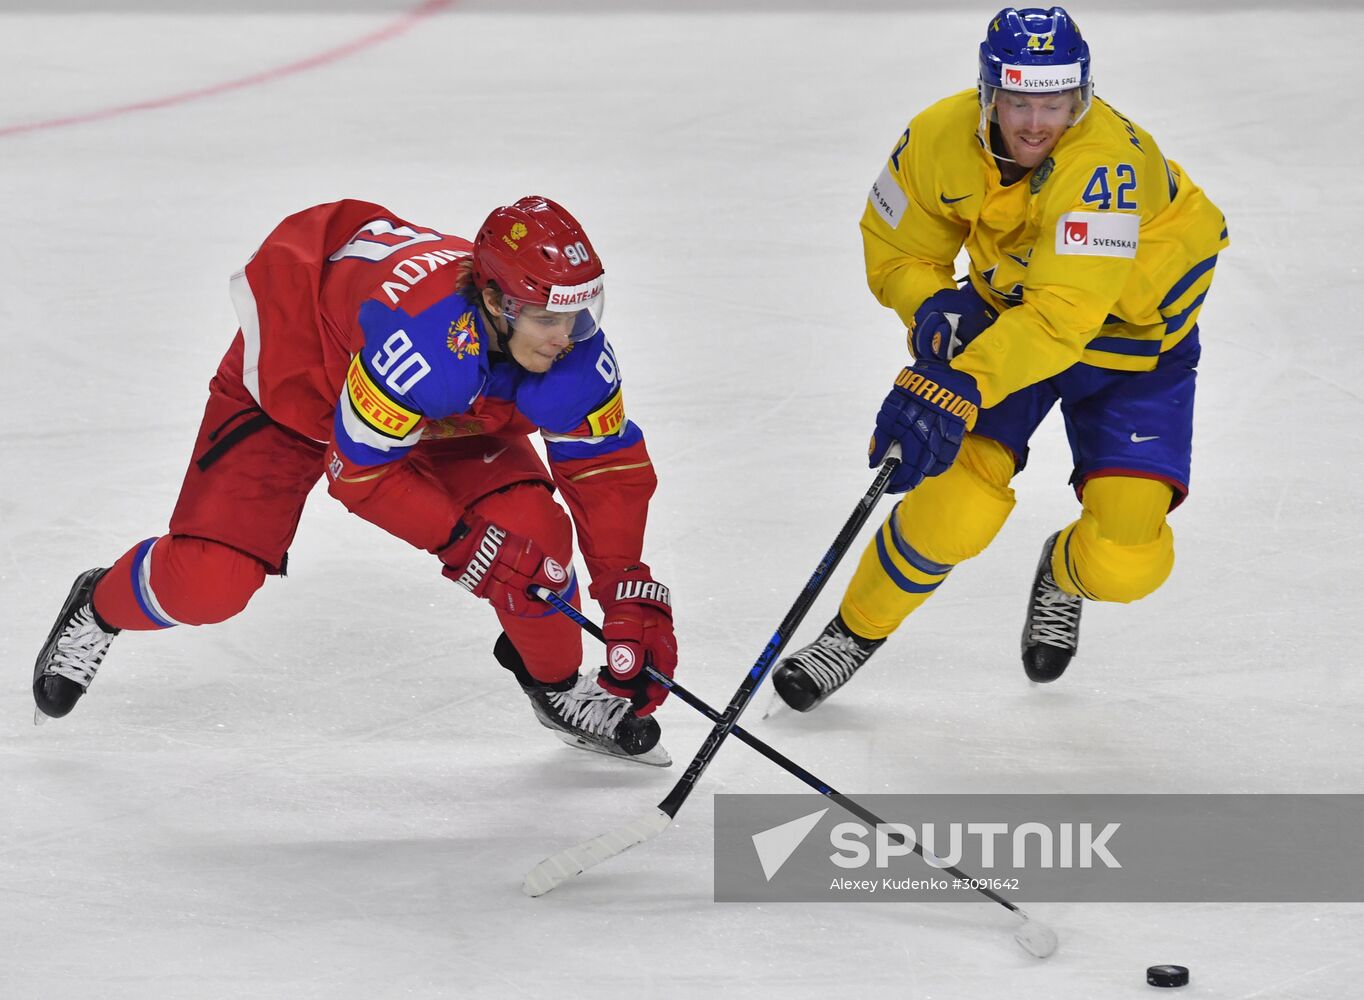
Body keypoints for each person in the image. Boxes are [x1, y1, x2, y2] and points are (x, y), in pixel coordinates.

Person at [32, 196, 678, 765]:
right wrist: (465, 544)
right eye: (547, 318)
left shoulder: (564, 346)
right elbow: (360, 474)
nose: (567, 337)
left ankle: (557, 687)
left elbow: (606, 471)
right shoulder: (425, 346)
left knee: (532, 534)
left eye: (579, 312)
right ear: (492, 301)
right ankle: (99, 602)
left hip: (437, 407)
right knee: (209, 584)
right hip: (301, 380)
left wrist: (624, 586)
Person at [772, 6, 1228, 711]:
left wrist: (957, 380)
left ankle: (1064, 574)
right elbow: (896, 245)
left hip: (1134, 343)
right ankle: (852, 633)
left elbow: (1061, 318)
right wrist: (931, 305)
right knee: (956, 504)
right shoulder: (937, 134)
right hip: (1012, 316)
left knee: (1125, 562)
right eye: (1019, 101)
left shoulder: (1106, 165)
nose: (1037, 124)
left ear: (1082, 95)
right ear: (989, 93)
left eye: (1057, 102)